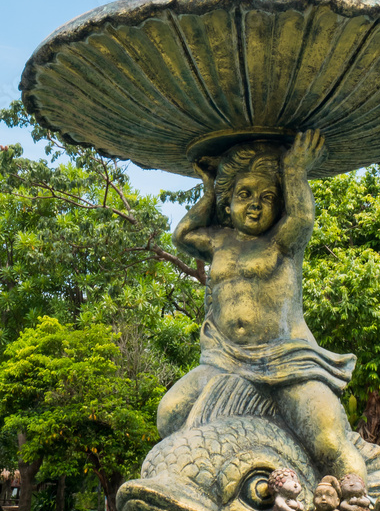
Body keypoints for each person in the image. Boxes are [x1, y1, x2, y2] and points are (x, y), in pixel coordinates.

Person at [156, 130, 368, 481]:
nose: (255, 203)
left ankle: (359, 509)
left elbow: (302, 218)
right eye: (245, 194)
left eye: (267, 196)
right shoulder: (219, 240)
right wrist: (209, 190)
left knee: (330, 445)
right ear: (228, 203)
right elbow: (182, 235)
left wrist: (296, 171)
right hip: (225, 359)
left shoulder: (283, 241)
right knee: (171, 414)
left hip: (286, 358)